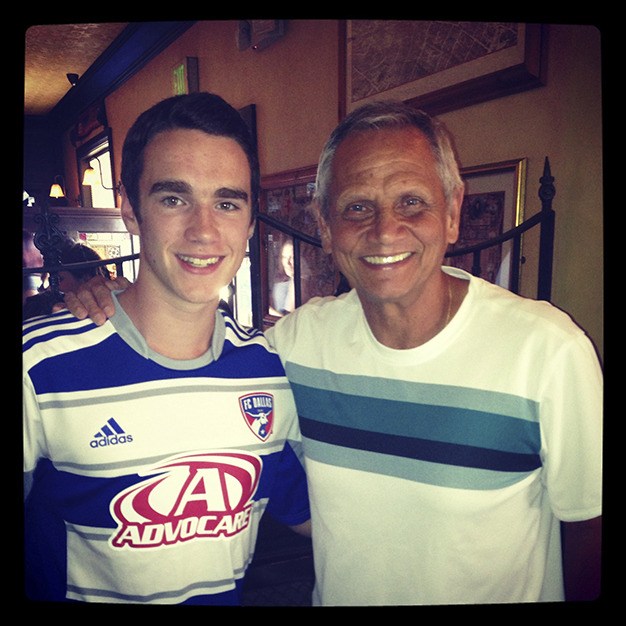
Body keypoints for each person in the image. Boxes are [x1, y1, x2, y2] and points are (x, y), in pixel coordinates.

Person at [65, 100, 602, 606]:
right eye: (357, 207)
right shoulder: (293, 348)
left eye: (412, 201)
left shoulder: (549, 352)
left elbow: (589, 534)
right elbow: (186, 353)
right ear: (324, 226)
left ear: (453, 211)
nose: (385, 229)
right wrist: (93, 298)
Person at [23, 92, 310, 605]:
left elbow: (317, 516)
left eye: (226, 202)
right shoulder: (39, 367)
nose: (203, 230)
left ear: (248, 224)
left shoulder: (269, 372)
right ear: (131, 211)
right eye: (174, 199)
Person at [23, 241, 111, 320]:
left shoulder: (108, 306)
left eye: (59, 279)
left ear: (85, 278)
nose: (50, 287)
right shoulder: (42, 305)